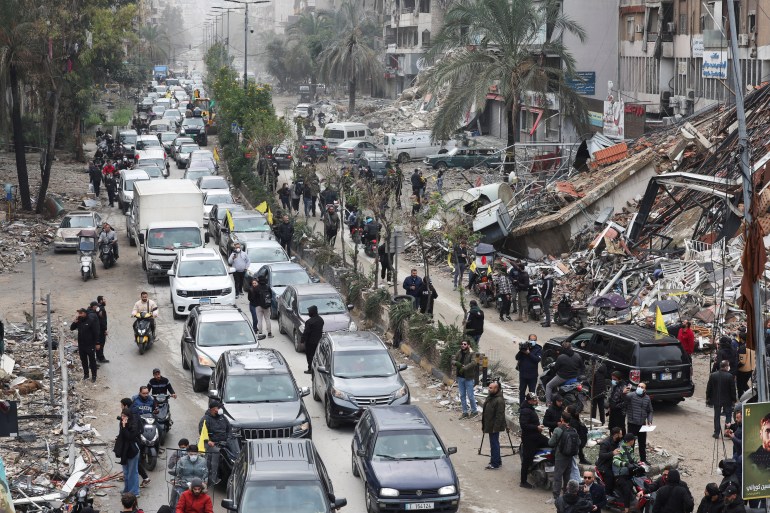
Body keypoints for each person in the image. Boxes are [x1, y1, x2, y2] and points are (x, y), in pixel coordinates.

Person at [519, 392, 550, 489]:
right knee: (527, 459)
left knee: (551, 443)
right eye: (535, 400)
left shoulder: (530, 408)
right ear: (530, 401)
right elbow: (524, 425)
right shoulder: (525, 411)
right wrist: (536, 427)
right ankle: (523, 481)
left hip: (535, 436)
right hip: (530, 438)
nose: (537, 401)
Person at [199, 401, 232, 485]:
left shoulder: (223, 417)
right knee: (215, 454)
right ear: (213, 409)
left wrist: (228, 439)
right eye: (219, 408)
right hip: (211, 443)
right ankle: (212, 478)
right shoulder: (205, 419)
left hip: (224, 442)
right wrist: (209, 441)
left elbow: (229, 429)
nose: (221, 409)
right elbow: (202, 432)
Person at [549, 413, 578, 500]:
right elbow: (578, 442)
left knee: (558, 476)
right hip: (570, 456)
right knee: (567, 476)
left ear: (562, 419)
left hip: (560, 456)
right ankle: (566, 494)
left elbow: (551, 443)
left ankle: (556, 497)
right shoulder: (574, 430)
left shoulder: (558, 430)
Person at [546, 340, 584, 404]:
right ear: (571, 347)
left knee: (548, 386)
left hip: (562, 377)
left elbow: (555, 368)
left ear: (563, 348)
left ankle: (548, 403)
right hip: (574, 377)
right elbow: (582, 367)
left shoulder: (561, 357)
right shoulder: (577, 355)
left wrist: (553, 372)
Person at [706, 360, 736, 438]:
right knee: (728, 415)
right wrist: (733, 399)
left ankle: (716, 433)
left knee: (717, 416)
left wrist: (708, 397)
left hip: (716, 399)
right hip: (727, 400)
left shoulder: (713, 375)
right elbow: (733, 390)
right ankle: (727, 432)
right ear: (726, 367)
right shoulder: (730, 376)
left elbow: (709, 388)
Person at [481, 380, 506, 470]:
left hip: (494, 427)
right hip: (490, 424)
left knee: (494, 444)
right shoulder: (491, 397)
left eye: (491, 388)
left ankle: (494, 463)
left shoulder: (499, 400)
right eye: (489, 387)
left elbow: (499, 416)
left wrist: (495, 428)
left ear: (496, 389)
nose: (489, 389)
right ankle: (497, 460)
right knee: (494, 443)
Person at [625, 382, 653, 463]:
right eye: (639, 386)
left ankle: (643, 460)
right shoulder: (631, 395)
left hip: (642, 425)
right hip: (632, 424)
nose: (640, 388)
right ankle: (630, 461)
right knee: (631, 444)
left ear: (645, 389)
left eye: (642, 387)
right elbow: (624, 398)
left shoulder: (647, 398)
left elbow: (650, 411)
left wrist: (649, 420)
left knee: (642, 444)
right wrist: (624, 393)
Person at [115, 409, 140, 497]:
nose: (123, 418)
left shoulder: (134, 425)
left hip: (132, 450)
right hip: (124, 451)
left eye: (125, 416)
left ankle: (134, 492)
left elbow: (129, 437)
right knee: (126, 472)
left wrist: (125, 427)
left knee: (132, 472)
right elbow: (122, 436)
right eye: (122, 416)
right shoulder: (122, 423)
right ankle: (127, 489)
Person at [612, 433, 640, 513]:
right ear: (631, 441)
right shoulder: (620, 449)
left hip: (628, 473)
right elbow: (615, 460)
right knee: (627, 488)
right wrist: (625, 464)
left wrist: (639, 463)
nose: (634, 441)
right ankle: (626, 510)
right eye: (633, 440)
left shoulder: (630, 448)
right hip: (620, 475)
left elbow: (633, 459)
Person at [70, 308, 100, 382]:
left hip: (90, 344)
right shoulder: (79, 320)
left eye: (80, 313)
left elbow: (96, 332)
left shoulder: (90, 320)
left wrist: (97, 343)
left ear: (84, 313)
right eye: (79, 313)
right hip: (81, 345)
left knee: (92, 361)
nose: (79, 314)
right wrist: (75, 321)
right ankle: (86, 375)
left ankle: (94, 376)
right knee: (84, 361)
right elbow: (72, 328)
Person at [515, 334, 542, 406]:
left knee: (532, 393)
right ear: (528, 340)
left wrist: (529, 353)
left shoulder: (538, 348)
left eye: (534, 340)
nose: (532, 341)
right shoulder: (525, 347)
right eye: (531, 340)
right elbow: (517, 358)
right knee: (522, 391)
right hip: (523, 374)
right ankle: (521, 406)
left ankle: (531, 406)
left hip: (532, 375)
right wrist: (521, 351)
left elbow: (537, 359)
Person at [454, 341, 479, 420]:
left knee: (470, 396)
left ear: (468, 345)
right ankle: (465, 412)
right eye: (462, 344)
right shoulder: (459, 352)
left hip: (468, 378)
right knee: (462, 395)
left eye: (465, 344)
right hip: (460, 377)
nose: (463, 345)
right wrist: (457, 363)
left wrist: (464, 368)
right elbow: (453, 360)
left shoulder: (472, 353)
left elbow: (474, 363)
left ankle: (474, 411)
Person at [596, 427, 623, 496]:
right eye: (620, 434)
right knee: (611, 477)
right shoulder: (605, 443)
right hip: (604, 466)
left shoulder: (617, 441)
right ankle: (608, 496)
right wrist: (612, 453)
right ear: (616, 435)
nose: (621, 436)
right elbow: (601, 455)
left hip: (614, 464)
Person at [301, 305, 324, 374]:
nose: (308, 313)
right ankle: (318, 368)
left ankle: (310, 369)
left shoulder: (309, 322)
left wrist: (302, 340)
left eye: (309, 312)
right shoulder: (321, 320)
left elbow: (306, 332)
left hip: (310, 342)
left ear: (312, 312)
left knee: (310, 356)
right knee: (317, 355)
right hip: (318, 341)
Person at [589, 356, 608, 425]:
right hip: (602, 389)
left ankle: (593, 422)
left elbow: (591, 381)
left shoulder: (594, 368)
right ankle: (602, 422)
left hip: (594, 391)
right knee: (601, 408)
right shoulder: (603, 366)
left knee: (593, 408)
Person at [95, 296, 109, 363]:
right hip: (100, 330)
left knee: (98, 343)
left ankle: (98, 357)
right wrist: (105, 330)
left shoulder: (97, 308)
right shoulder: (102, 309)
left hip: (96, 329)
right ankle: (101, 358)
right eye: (104, 299)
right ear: (101, 301)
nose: (105, 300)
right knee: (101, 344)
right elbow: (102, 321)